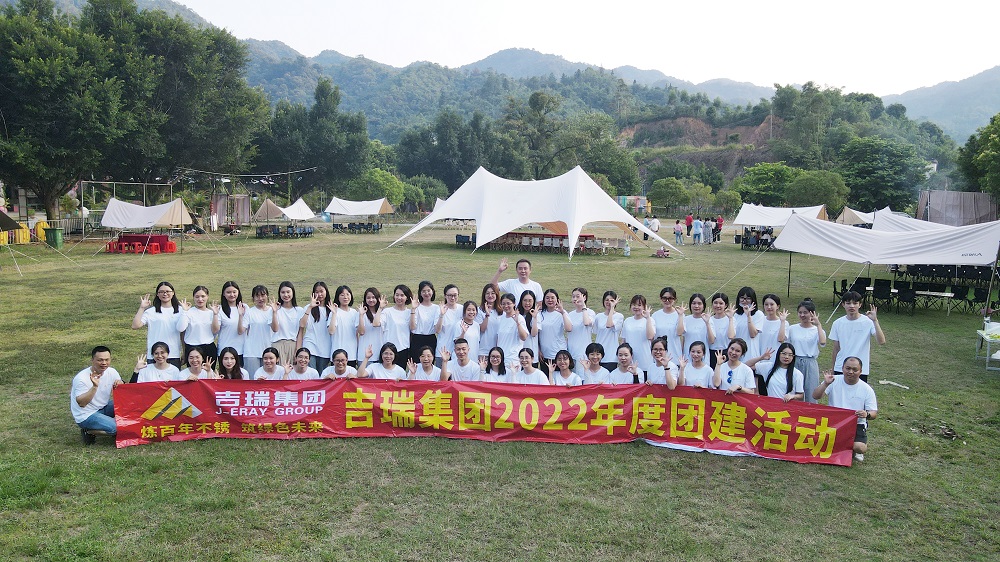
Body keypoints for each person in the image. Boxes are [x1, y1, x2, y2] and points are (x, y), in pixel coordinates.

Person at [813, 356, 877, 462]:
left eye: (855, 370)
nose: (850, 372)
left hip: (856, 424)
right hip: (834, 422)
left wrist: (867, 414)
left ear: (860, 371)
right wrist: (825, 384)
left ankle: (854, 449)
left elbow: (874, 413)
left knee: (860, 447)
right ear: (842, 368)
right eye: (848, 368)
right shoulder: (833, 380)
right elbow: (816, 396)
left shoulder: (867, 389)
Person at [829, 291, 886, 382]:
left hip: (860, 369)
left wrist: (875, 321)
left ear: (860, 305)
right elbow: (836, 348)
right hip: (840, 367)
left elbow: (881, 341)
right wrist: (833, 368)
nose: (852, 306)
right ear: (843, 304)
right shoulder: (837, 323)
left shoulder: (868, 322)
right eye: (848, 303)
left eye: (855, 303)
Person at [71, 346, 123, 443]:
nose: (104, 363)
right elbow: (82, 403)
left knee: (126, 405)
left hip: (103, 407)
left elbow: (122, 393)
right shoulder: (81, 378)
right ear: (92, 360)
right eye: (100, 360)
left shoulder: (112, 372)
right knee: (116, 428)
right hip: (86, 414)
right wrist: (94, 387)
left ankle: (106, 422)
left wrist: (121, 383)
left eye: (107, 360)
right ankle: (88, 432)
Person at [132, 281, 182, 368]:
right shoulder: (151, 312)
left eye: (167, 291)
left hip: (173, 354)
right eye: (161, 292)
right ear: (157, 294)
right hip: (154, 355)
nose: (165, 294)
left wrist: (184, 351)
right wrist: (142, 308)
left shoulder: (181, 311)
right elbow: (135, 325)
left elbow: (183, 333)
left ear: (173, 293)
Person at [787, 298, 826, 404]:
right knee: (794, 389)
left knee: (810, 390)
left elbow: (822, 342)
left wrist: (818, 325)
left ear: (812, 313)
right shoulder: (792, 328)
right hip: (795, 361)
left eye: (805, 312)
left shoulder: (817, 330)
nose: (802, 315)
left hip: (810, 362)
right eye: (800, 312)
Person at [297, 281, 333, 372]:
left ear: (326, 292)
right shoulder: (308, 307)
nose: (319, 294)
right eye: (317, 292)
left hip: (325, 348)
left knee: (322, 374)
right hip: (310, 345)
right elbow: (302, 325)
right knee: (311, 372)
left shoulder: (331, 309)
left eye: (321, 291)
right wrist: (310, 307)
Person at [178, 285, 217, 365]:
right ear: (193, 298)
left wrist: (215, 314)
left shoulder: (212, 313)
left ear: (207, 297)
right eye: (197, 297)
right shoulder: (188, 312)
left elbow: (215, 331)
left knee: (208, 372)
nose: (200, 299)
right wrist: (184, 312)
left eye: (203, 296)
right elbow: (181, 328)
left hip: (208, 348)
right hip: (192, 348)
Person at [243, 285, 273, 377]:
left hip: (268, 349)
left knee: (269, 379)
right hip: (252, 352)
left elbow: (275, 328)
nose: (260, 298)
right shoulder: (249, 312)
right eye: (257, 296)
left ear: (267, 296)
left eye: (263, 295)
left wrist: (275, 312)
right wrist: (240, 315)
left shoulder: (273, 310)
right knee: (253, 379)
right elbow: (241, 330)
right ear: (253, 298)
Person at [214, 281, 247, 365]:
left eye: (234, 292)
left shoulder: (244, 307)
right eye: (228, 292)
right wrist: (215, 314)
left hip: (241, 350)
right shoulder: (219, 309)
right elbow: (215, 330)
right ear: (223, 294)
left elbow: (242, 331)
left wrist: (241, 315)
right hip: (224, 350)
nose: (232, 295)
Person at [270, 281, 303, 365]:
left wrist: (298, 350)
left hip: (293, 344)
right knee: (279, 371)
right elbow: (275, 329)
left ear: (293, 293)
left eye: (288, 292)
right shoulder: (275, 309)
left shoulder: (299, 310)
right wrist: (274, 312)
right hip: (278, 344)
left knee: (292, 370)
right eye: (283, 292)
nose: (286, 295)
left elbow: (300, 332)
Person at [621, 295, 655, 374]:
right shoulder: (627, 321)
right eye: (634, 305)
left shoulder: (650, 320)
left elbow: (650, 336)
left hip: (646, 360)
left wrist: (648, 318)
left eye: (639, 305)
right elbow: (623, 340)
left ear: (644, 307)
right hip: (630, 361)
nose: (636, 307)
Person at [538, 289, 571, 368]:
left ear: (557, 299)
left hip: (559, 354)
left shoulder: (562, 313)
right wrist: (538, 350)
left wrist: (562, 312)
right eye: (547, 298)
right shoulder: (540, 314)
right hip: (544, 354)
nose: (550, 300)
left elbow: (569, 329)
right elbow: (537, 334)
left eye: (552, 298)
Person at [677, 293, 715, 364]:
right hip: (688, 357)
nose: (696, 306)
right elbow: (682, 337)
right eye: (694, 303)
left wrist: (707, 323)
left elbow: (712, 341)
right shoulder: (686, 319)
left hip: (703, 358)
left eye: (699, 303)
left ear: (703, 306)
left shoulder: (708, 320)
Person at [328, 285, 361, 367]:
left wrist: (358, 350)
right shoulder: (334, 312)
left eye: (348, 294)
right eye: (342, 295)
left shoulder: (354, 313)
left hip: (351, 354)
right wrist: (334, 313)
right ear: (338, 297)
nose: (345, 297)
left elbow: (357, 334)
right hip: (337, 353)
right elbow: (331, 331)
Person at [410, 280, 441, 363]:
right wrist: (413, 309)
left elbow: (437, 329)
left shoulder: (437, 308)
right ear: (420, 293)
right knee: (416, 364)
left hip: (431, 339)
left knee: (429, 364)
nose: (426, 293)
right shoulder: (416, 307)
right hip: (417, 339)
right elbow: (412, 327)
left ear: (432, 291)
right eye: (423, 291)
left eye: (428, 290)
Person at [384, 285, 414, 369]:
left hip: (403, 349)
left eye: (402, 295)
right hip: (388, 349)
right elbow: (376, 324)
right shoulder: (387, 311)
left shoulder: (410, 312)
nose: (399, 298)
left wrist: (413, 310)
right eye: (397, 295)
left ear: (407, 297)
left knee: (400, 374)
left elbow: (412, 328)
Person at [652, 287, 684, 364]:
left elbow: (680, 333)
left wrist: (680, 315)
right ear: (661, 299)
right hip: (658, 357)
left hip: (674, 356)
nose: (667, 301)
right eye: (664, 298)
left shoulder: (679, 314)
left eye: (670, 298)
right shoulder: (655, 315)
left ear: (675, 299)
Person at [565, 288, 594, 371]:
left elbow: (586, 322)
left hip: (582, 353)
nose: (575, 299)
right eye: (573, 296)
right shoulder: (570, 314)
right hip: (571, 351)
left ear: (584, 297)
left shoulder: (590, 312)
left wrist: (584, 307)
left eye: (578, 296)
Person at [594, 291, 624, 372]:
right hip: (599, 354)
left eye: (612, 300)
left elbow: (609, 324)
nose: (609, 302)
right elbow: (596, 332)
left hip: (611, 355)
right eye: (607, 300)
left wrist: (612, 309)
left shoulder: (619, 316)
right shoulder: (598, 316)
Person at [733, 286, 765, 359]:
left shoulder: (758, 314)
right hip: (737, 353)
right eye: (742, 298)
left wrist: (748, 316)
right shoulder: (736, 315)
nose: (744, 301)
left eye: (748, 298)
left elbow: (753, 334)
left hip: (751, 353)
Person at [356, 288, 385, 365]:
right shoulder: (361, 313)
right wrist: (361, 315)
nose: (371, 300)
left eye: (373, 297)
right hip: (364, 354)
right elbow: (361, 332)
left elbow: (376, 324)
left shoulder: (383, 313)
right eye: (368, 298)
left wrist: (380, 308)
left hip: (380, 354)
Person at [707, 293, 736, 369]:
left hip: (726, 352)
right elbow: (711, 340)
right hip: (712, 352)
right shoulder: (709, 319)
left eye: (721, 303)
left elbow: (731, 336)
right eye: (715, 303)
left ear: (725, 305)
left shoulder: (731, 319)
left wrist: (730, 318)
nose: (718, 306)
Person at [436, 284, 464, 366]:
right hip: (443, 350)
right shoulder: (440, 309)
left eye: (455, 295)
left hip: (459, 352)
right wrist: (441, 315)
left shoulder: (462, 309)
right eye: (450, 295)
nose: (453, 298)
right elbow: (437, 330)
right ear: (445, 296)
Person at [516, 290, 541, 365]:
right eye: (525, 300)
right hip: (518, 354)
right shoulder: (517, 315)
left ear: (534, 302)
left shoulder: (537, 315)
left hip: (531, 354)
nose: (527, 303)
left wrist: (535, 318)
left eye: (530, 301)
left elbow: (534, 334)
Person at [476, 284, 501, 361]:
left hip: (498, 352)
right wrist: (487, 315)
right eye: (487, 293)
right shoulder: (479, 311)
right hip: (484, 351)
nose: (490, 295)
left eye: (493, 293)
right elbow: (482, 329)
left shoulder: (502, 312)